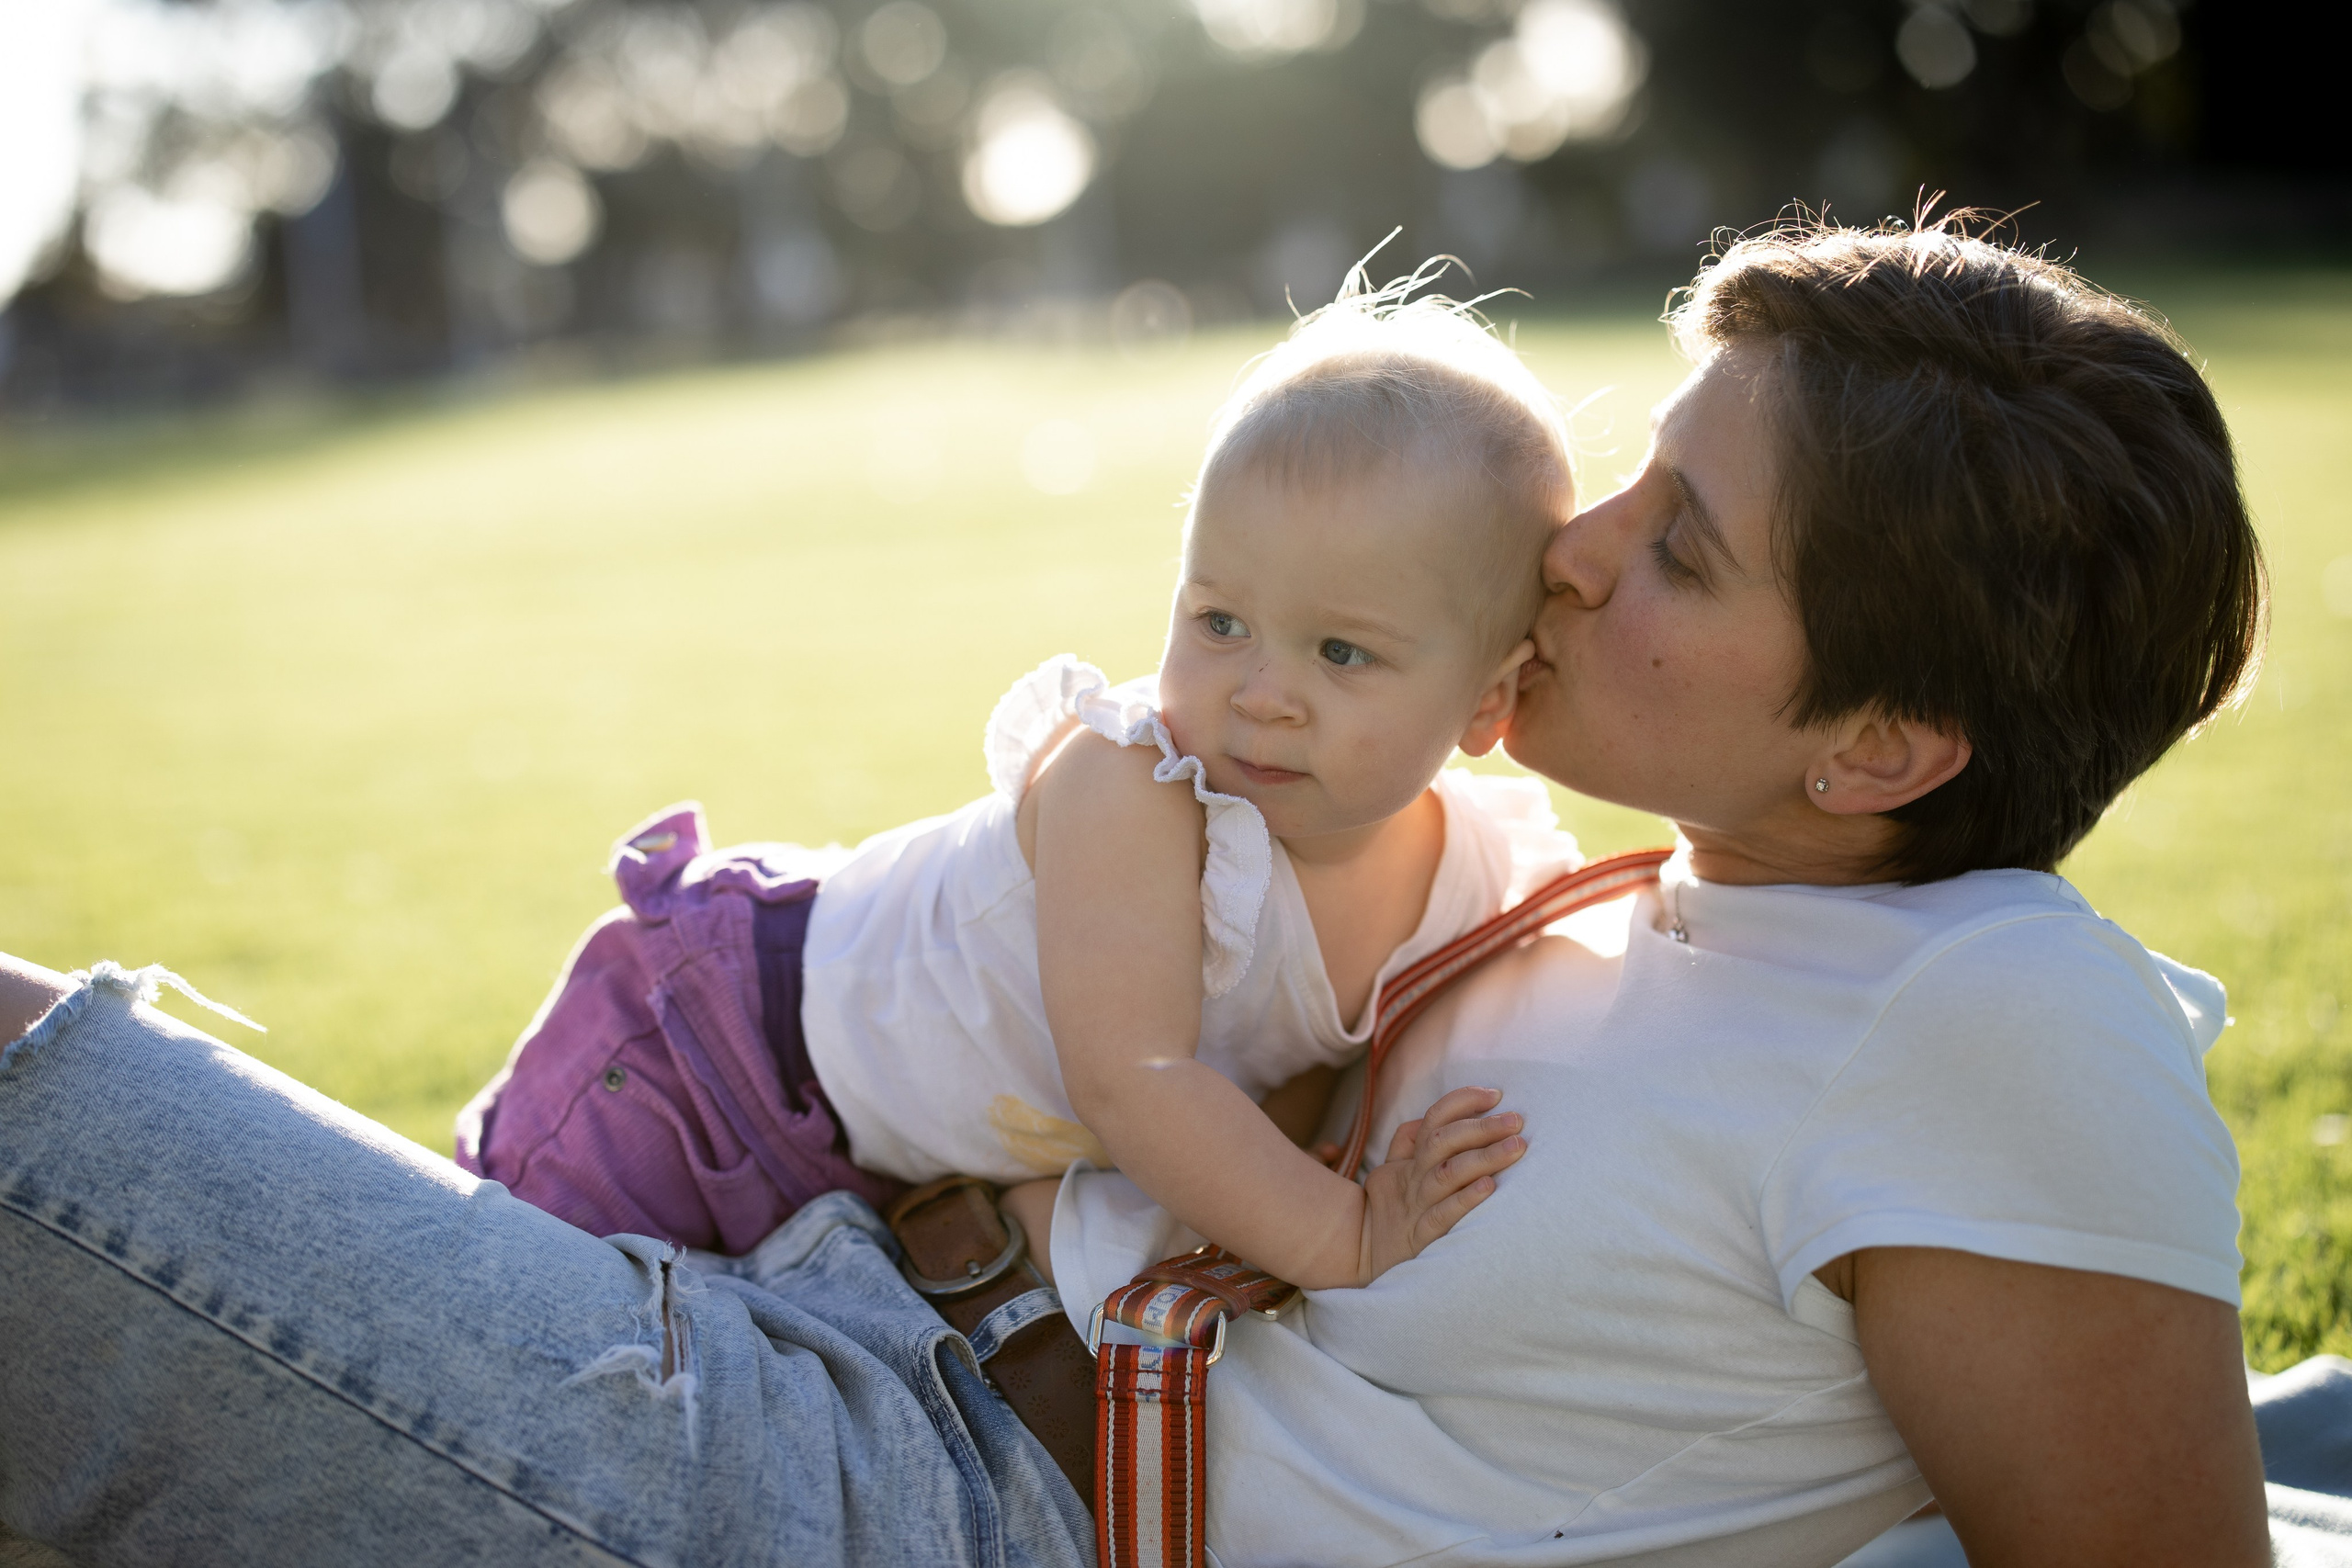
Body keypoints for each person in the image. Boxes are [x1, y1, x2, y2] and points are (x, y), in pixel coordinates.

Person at [0, 216, 2318, 1567]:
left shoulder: (1991, 1010)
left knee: (43, 1118)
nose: (1572, 545)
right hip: (855, 1281)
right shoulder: (1684, 895)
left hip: (920, 1494)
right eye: (1631, 473)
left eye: (1676, 546)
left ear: (1882, 744)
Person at [458, 273, 1566, 1290]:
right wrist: (1345, 1232)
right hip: (716, 1053)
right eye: (1219, 622)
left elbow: (1302, 1066)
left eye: (1341, 653)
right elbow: (1135, 1080)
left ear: (1486, 702)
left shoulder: (1474, 872)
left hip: (888, 1160)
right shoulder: (1134, 788)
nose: (1261, 692)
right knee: (499, 1310)